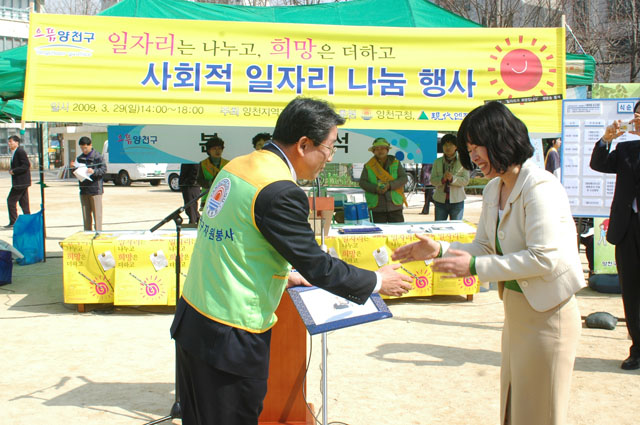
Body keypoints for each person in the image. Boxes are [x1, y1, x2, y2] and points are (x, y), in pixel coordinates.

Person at [170, 97, 412, 425]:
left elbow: (238, 243)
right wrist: (378, 280)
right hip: (231, 335)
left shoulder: (238, 166)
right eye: (328, 148)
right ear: (303, 144)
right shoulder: (279, 190)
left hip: (195, 320)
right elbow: (318, 265)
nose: (328, 159)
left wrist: (283, 275)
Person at [392, 101, 585, 425]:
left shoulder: (540, 187)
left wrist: (473, 268)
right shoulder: (495, 187)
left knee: (542, 412)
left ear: (501, 139)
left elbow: (544, 257)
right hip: (517, 312)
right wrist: (438, 249)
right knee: (516, 407)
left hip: (549, 318)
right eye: (469, 149)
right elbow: (483, 245)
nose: (473, 157)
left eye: (476, 146)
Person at [589, 100, 640, 370]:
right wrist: (606, 139)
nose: (637, 118)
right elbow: (598, 164)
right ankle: (637, 349)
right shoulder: (626, 148)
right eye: (636, 114)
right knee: (631, 291)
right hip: (627, 227)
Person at [358, 137, 408, 223]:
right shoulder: (368, 165)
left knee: (397, 233)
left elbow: (404, 178)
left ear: (387, 150)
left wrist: (390, 185)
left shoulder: (396, 162)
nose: (380, 151)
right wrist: (375, 188)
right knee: (378, 234)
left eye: (382, 148)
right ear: (373, 151)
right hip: (376, 206)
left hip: (394, 205)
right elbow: (362, 183)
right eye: (377, 149)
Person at [430, 134, 470, 221]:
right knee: (439, 228)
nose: (447, 147)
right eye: (445, 145)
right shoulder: (437, 162)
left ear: (456, 146)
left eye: (450, 145)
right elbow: (432, 180)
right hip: (440, 201)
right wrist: (442, 179)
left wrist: (453, 179)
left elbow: (466, 180)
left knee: (456, 229)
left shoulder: (462, 161)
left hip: (457, 200)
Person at [71, 137, 106, 231]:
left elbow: (103, 170)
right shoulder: (79, 158)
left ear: (90, 145)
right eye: (82, 148)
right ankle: (87, 233)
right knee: (86, 215)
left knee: (97, 215)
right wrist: (74, 169)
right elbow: (75, 172)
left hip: (95, 189)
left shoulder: (98, 157)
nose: (84, 150)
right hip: (84, 189)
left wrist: (93, 171)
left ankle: (98, 233)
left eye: (85, 148)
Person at [5, 135, 31, 228]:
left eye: (11, 141)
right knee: (24, 203)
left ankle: (14, 222)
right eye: (8, 142)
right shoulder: (14, 152)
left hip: (21, 182)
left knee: (11, 201)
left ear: (16, 143)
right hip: (21, 182)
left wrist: (14, 171)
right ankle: (28, 221)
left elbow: (26, 165)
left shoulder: (20, 152)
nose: (9, 143)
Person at [196, 135, 228, 208]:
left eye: (219, 148)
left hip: (224, 200)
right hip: (207, 199)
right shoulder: (203, 164)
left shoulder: (227, 164)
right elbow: (199, 180)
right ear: (209, 150)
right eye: (214, 148)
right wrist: (211, 183)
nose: (217, 151)